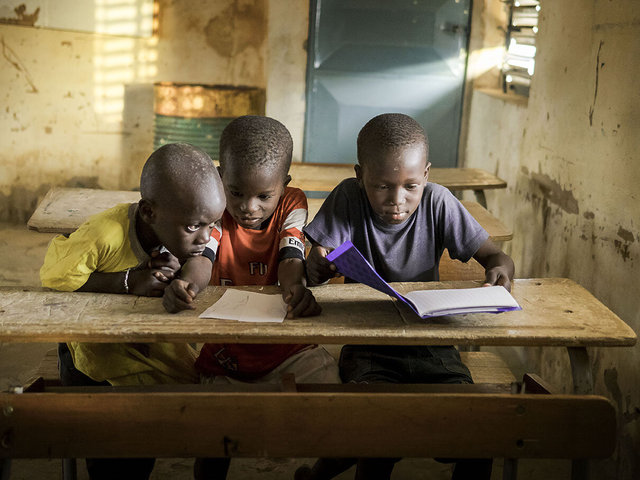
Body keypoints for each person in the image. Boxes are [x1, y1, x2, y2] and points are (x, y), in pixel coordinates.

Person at [297, 113, 514, 480]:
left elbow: (497, 256)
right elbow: (314, 261)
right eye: (382, 186)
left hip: (433, 344)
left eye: (411, 185)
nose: (397, 200)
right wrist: (316, 267)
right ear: (359, 174)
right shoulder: (349, 198)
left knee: (478, 430)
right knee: (380, 434)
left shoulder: (439, 202)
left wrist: (501, 272)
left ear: (426, 175)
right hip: (369, 345)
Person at [40, 142, 226, 480]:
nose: (206, 236)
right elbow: (54, 276)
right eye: (194, 227)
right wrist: (127, 282)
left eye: (212, 224)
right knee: (117, 448)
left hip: (142, 346)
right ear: (149, 213)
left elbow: (199, 258)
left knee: (176, 414)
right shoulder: (105, 234)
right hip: (94, 356)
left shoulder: (184, 222)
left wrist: (180, 276)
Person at [193, 115, 340, 479]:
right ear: (220, 176)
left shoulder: (293, 203)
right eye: (236, 192)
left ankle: (317, 473)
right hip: (225, 354)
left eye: (264, 195)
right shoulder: (212, 206)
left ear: (284, 185)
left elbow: (291, 257)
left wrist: (296, 288)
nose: (249, 207)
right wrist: (188, 283)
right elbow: (203, 257)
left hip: (289, 349)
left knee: (345, 417)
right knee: (214, 443)